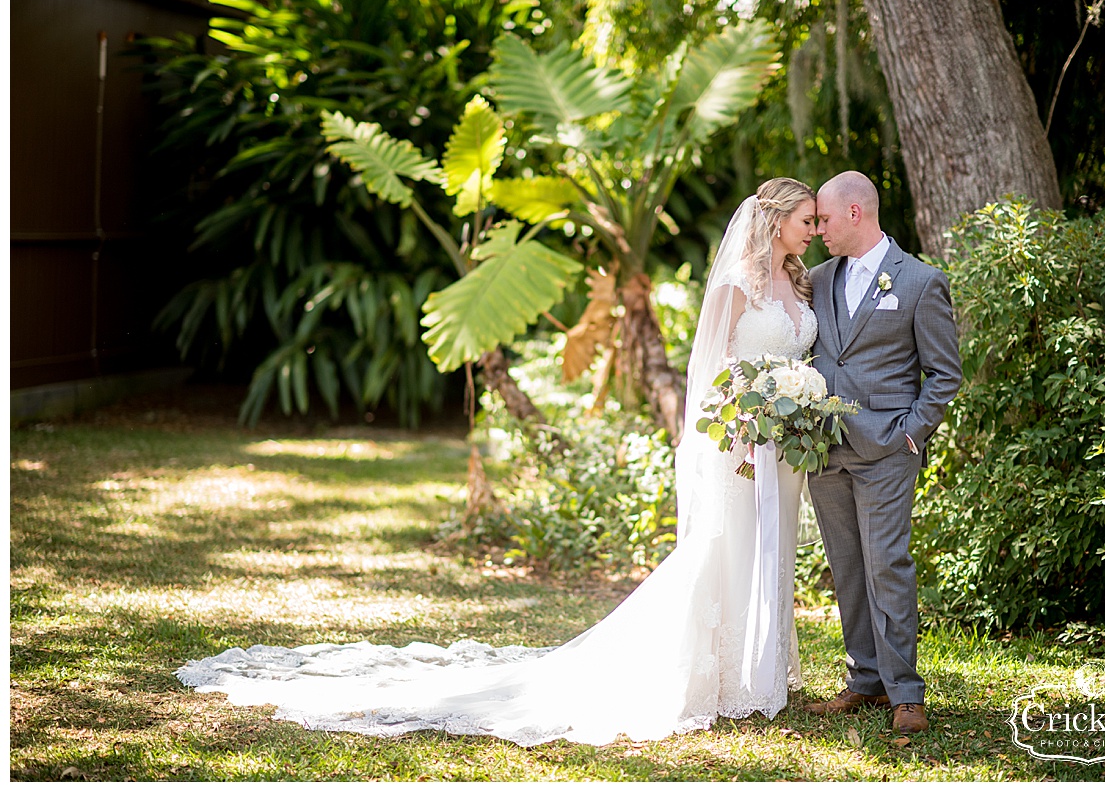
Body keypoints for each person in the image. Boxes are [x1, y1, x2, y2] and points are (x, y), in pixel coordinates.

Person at [174, 178, 823, 747]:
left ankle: (760, 674)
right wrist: (739, 426)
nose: (815, 230)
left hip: (782, 448)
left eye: (819, 221)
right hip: (735, 444)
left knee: (771, 549)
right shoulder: (738, 286)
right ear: (776, 220)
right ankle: (713, 676)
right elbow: (708, 374)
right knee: (727, 550)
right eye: (807, 220)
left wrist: (795, 410)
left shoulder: (800, 282)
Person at [802, 171, 962, 735]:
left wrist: (910, 434)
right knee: (846, 568)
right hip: (824, 450)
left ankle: (906, 693)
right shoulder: (816, 280)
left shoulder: (919, 282)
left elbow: (944, 374)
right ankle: (864, 680)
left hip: (888, 449)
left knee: (887, 564)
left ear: (854, 214)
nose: (816, 229)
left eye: (822, 218)